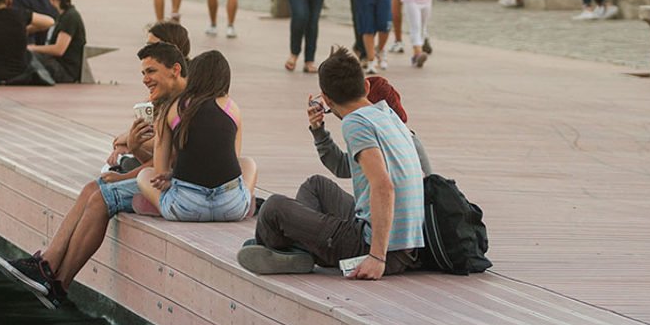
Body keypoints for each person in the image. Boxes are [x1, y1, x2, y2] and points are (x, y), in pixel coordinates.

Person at [0, 39, 191, 304]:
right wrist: (134, 148)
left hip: (180, 187)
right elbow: (162, 160)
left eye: (151, 71)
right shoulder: (169, 102)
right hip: (168, 178)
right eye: (143, 73)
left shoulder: (182, 108)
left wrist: (123, 173)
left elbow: (167, 166)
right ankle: (46, 266)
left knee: (101, 197)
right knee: (93, 187)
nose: (145, 79)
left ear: (175, 69)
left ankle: (58, 283)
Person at [239, 47, 425, 279]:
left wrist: (377, 258)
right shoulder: (387, 114)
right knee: (316, 186)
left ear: (326, 98)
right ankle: (297, 250)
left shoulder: (355, 123)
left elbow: (383, 185)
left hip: (377, 248)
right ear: (366, 87)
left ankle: (288, 250)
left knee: (273, 209)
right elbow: (346, 167)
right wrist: (319, 132)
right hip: (406, 247)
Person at [135, 50, 259, 222]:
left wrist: (171, 177)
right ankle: (245, 198)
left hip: (185, 207)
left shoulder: (173, 108)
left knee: (144, 176)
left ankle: (158, 204)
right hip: (231, 208)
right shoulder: (232, 108)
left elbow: (159, 171)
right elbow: (231, 161)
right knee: (248, 163)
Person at [312, 75, 432, 178]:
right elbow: (344, 166)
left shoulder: (383, 142)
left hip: (387, 203)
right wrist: (318, 130)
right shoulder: (398, 134)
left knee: (316, 185)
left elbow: (342, 167)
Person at [27, 0, 87, 83]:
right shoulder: (64, 15)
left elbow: (59, 49)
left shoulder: (70, 17)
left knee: (29, 56)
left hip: (66, 71)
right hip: (58, 65)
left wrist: (34, 48)